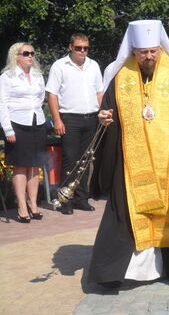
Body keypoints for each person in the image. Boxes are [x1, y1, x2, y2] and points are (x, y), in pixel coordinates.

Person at [87, 20, 169, 287]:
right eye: (143, 51)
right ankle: (125, 271)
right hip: (131, 164)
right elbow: (108, 116)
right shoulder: (120, 78)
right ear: (133, 51)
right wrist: (103, 120)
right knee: (126, 212)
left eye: (153, 51)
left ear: (160, 49)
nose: (148, 56)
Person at [46, 33, 103, 214]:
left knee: (86, 159)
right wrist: (56, 119)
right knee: (70, 160)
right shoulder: (60, 66)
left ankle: (81, 198)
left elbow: (99, 92)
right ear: (71, 47)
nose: (82, 51)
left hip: (91, 117)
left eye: (85, 48)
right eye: (78, 48)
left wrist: (102, 113)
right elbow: (52, 94)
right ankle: (65, 200)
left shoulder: (93, 65)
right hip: (69, 117)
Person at [0, 43, 46, 223]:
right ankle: (22, 206)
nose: (30, 56)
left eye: (32, 53)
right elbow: (2, 104)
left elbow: (40, 98)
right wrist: (8, 128)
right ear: (16, 56)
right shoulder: (7, 77)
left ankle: (33, 204)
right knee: (20, 165)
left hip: (37, 121)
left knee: (34, 166)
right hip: (17, 124)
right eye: (26, 53)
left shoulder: (37, 75)